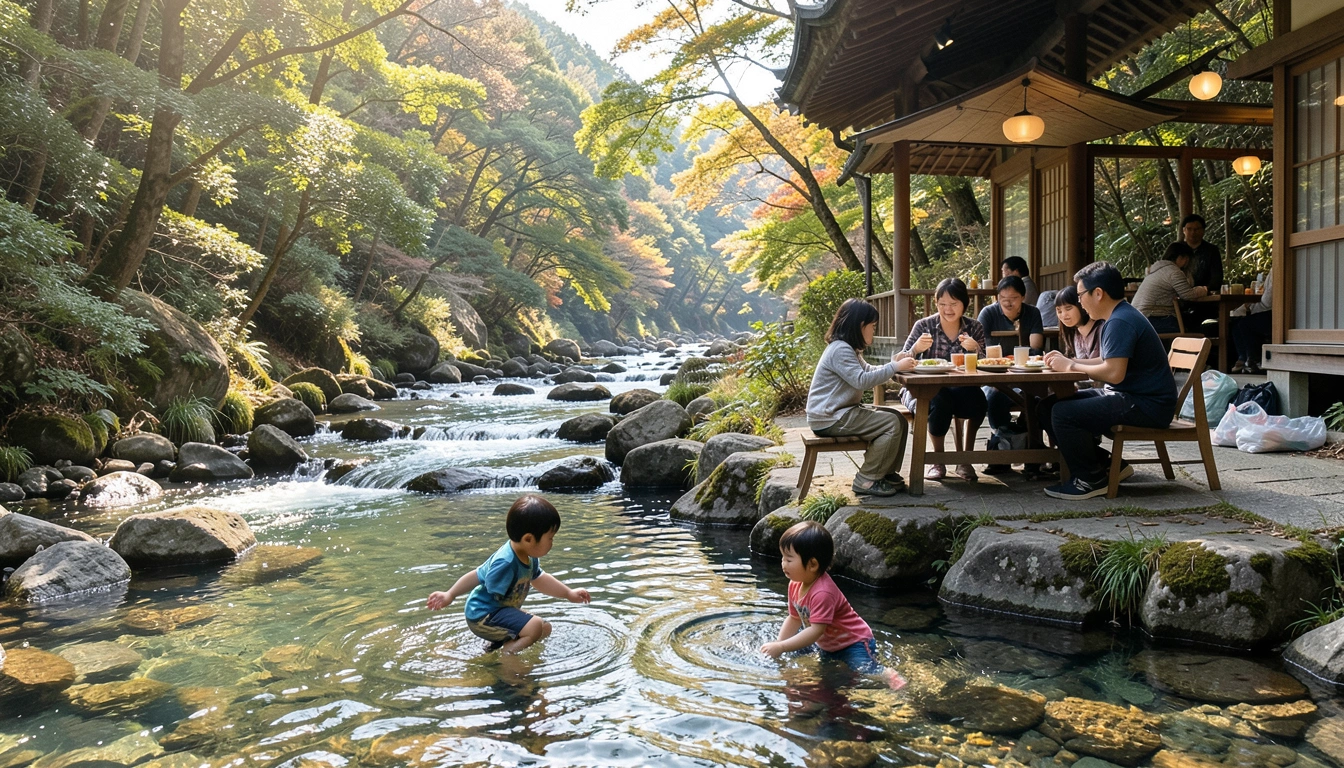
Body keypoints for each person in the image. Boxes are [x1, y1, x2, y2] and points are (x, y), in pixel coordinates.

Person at [1041, 261, 1178, 499]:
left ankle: (1089, 479)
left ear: (1098, 293)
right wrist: (1067, 361)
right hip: (1131, 397)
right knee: (1047, 407)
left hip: (1147, 405)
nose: (1080, 301)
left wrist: (1071, 365)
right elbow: (1106, 360)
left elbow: (1114, 373)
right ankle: (1106, 465)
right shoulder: (1118, 317)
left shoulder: (1120, 321)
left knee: (1063, 413)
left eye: (1081, 294)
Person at [427, 495, 591, 653]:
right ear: (528, 539)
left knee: (543, 628)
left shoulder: (529, 557)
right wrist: (450, 594)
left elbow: (540, 579)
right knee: (533, 626)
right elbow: (477, 575)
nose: (552, 543)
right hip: (482, 615)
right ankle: (509, 657)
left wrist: (568, 593)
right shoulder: (505, 562)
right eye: (550, 538)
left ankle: (492, 649)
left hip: (499, 610)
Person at [761, 521, 903, 688]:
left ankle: (891, 676)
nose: (783, 563)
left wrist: (782, 646)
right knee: (826, 675)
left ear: (812, 564)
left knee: (865, 671)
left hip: (853, 642)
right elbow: (793, 618)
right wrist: (778, 645)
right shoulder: (795, 584)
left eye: (789, 559)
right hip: (829, 644)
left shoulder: (823, 592)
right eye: (783, 557)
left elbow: (815, 630)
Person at [806, 298, 917, 497]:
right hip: (830, 417)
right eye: (872, 326)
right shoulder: (840, 349)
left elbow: (867, 370)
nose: (874, 331)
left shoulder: (848, 348)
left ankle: (885, 472)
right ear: (860, 325)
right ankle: (867, 478)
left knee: (898, 418)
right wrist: (894, 368)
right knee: (890, 423)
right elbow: (862, 381)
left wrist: (893, 364)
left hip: (841, 412)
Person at [901, 278, 987, 482]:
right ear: (936, 303)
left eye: (954, 304)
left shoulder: (974, 327)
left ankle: (965, 459)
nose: (947, 309)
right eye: (942, 304)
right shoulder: (924, 326)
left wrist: (976, 349)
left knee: (979, 402)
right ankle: (937, 460)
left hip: (962, 387)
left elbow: (985, 365)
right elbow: (900, 360)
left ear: (964, 304)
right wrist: (915, 350)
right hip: (925, 390)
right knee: (939, 402)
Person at [977, 275, 1046, 474]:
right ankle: (1003, 446)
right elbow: (984, 350)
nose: (1008, 302)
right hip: (994, 376)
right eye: (1003, 297)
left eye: (1013, 297)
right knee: (993, 395)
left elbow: (1036, 347)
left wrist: (1010, 356)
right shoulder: (988, 314)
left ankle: (1032, 451)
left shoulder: (1032, 313)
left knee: (1034, 397)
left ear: (1023, 297)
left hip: (1025, 375)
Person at [1034, 285, 1105, 477]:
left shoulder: (1101, 329)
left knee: (1055, 407)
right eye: (1058, 311)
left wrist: (1069, 363)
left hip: (1102, 392)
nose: (1063, 315)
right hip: (1082, 389)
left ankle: (1091, 466)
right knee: (1043, 406)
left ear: (1081, 305)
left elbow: (1104, 364)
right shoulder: (1074, 333)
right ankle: (1095, 459)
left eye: (1068, 308)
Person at [1131, 241, 1208, 334]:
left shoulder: (1155, 270)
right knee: (1192, 325)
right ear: (1181, 257)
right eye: (1188, 259)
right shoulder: (1174, 272)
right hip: (1152, 319)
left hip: (1137, 319)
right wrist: (1203, 290)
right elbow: (1188, 295)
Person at [1230, 271, 1273, 374]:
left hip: (1273, 314)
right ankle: (1243, 358)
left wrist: (1249, 307)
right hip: (1268, 310)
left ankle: (1252, 360)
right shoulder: (1274, 270)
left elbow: (1268, 302)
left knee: (1244, 324)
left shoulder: (1278, 269)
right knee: (1236, 324)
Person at [1181, 214, 1224, 294]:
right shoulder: (1176, 249)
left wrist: (1203, 290)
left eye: (1196, 229)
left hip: (1204, 296)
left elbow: (1217, 278)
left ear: (1203, 231)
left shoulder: (1212, 250)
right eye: (1189, 229)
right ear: (1184, 230)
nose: (1193, 232)